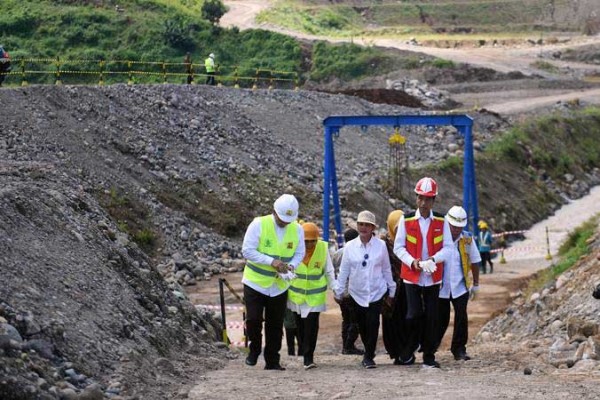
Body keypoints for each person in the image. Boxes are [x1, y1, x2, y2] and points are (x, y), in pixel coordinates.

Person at [393, 177, 452, 369]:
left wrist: (434, 260)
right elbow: (399, 247)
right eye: (421, 198)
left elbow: (448, 248)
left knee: (432, 316)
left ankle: (429, 354)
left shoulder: (442, 221)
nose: (424, 203)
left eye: (428, 199)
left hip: (433, 276)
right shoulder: (406, 219)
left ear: (434, 200)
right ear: (416, 198)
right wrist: (413, 262)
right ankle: (408, 349)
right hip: (412, 275)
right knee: (413, 314)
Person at [241, 194, 305, 370]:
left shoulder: (297, 229)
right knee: (254, 319)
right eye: (282, 219)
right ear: (274, 212)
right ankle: (254, 349)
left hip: (279, 286)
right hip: (255, 282)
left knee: (275, 324)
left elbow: (299, 253)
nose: (285, 222)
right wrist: (271, 262)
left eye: (288, 220)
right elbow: (247, 250)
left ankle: (272, 360)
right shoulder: (259, 224)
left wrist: (291, 266)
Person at [335, 210, 396, 369]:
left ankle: (369, 355)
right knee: (361, 324)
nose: (363, 227)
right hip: (357, 292)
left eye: (367, 225)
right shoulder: (349, 247)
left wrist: (392, 290)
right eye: (361, 224)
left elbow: (386, 269)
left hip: (376, 292)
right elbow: (344, 271)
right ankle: (368, 350)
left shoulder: (381, 246)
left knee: (373, 323)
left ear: (372, 228)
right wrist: (339, 290)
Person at [287, 222, 337, 370]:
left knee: (311, 326)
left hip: (315, 297)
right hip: (296, 296)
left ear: (317, 239)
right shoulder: (293, 247)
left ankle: (309, 357)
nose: (309, 244)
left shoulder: (322, 248)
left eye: (312, 241)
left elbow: (329, 270)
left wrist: (334, 287)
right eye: (306, 241)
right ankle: (303, 352)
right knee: (300, 327)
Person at [437, 206, 481, 361]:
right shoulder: (439, 239)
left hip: (460, 286)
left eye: (459, 227)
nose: (456, 230)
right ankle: (431, 347)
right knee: (440, 319)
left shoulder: (467, 239)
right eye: (453, 226)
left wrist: (476, 284)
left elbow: (475, 261)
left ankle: (459, 349)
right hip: (441, 287)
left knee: (461, 317)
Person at [381, 210, 409, 365]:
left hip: (406, 287)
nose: (401, 232)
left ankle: (406, 351)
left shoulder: (411, 242)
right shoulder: (383, 244)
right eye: (397, 228)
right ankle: (395, 351)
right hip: (388, 289)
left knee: (406, 318)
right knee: (391, 320)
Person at [331, 227, 363, 355]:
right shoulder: (356, 252)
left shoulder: (337, 253)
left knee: (346, 319)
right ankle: (349, 346)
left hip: (341, 291)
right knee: (355, 320)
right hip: (352, 292)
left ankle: (346, 345)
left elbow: (332, 271)